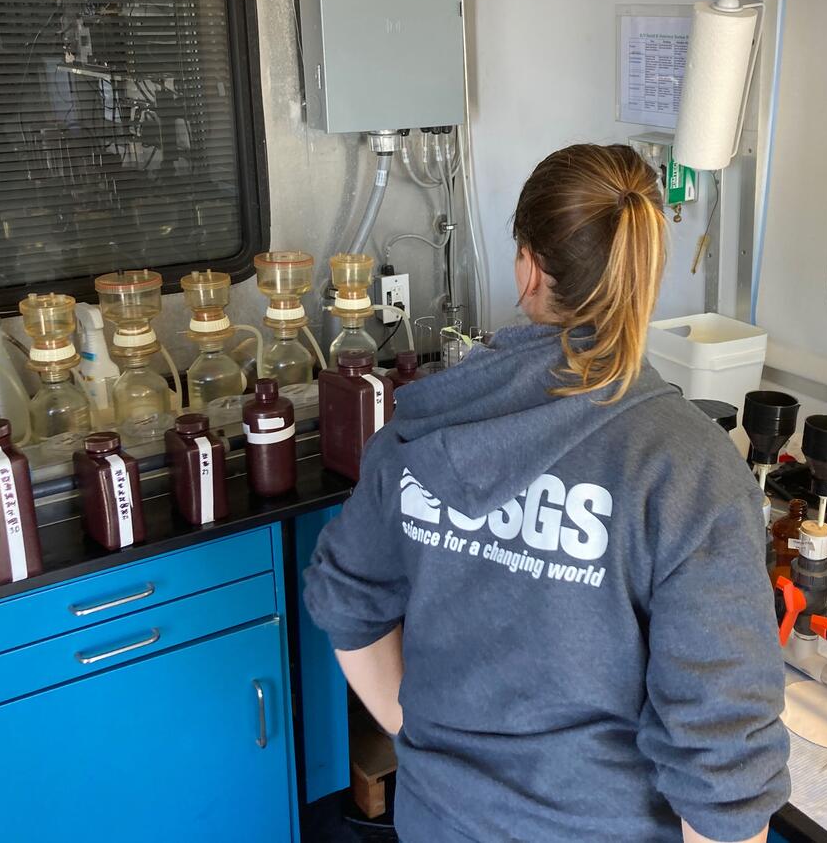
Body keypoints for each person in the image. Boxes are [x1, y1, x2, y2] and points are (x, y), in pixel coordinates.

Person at [305, 144, 788, 843]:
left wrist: (432, 745)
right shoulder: (692, 468)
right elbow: (723, 767)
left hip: (440, 822)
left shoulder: (422, 427)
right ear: (644, 272)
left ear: (528, 268)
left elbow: (348, 607)